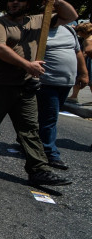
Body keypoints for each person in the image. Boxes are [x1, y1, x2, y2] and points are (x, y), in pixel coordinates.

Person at [0, 0, 76, 187]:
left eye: (20, 0)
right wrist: (27, 65)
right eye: (11, 0)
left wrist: (57, 1)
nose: (14, 3)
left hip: (25, 85)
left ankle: (39, 170)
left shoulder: (40, 20)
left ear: (28, 4)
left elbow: (71, 16)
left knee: (29, 129)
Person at [36, 23, 88, 169]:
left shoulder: (68, 29)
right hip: (46, 82)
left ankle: (33, 142)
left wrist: (83, 73)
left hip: (65, 83)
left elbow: (77, 52)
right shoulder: (39, 30)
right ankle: (50, 153)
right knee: (50, 117)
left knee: (46, 116)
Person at [67, 22, 92, 104]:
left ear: (82, 32)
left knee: (80, 77)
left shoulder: (87, 40)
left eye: (78, 31)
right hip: (89, 61)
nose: (77, 33)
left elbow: (87, 51)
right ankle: (74, 96)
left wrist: (80, 58)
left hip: (88, 62)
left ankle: (74, 96)